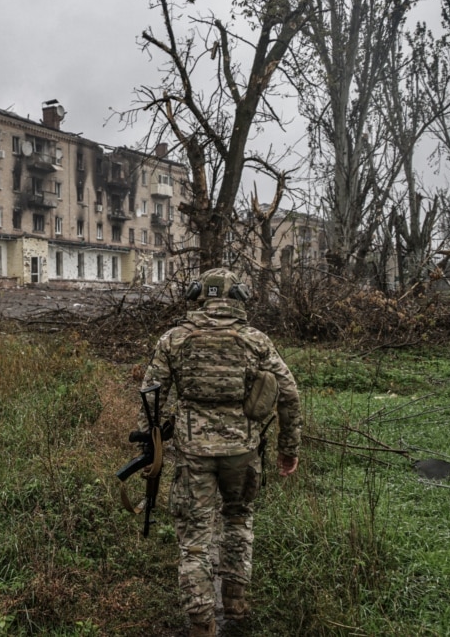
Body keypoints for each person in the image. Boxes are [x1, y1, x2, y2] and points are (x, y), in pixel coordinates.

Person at [139, 268, 301, 636]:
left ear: (200, 297)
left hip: (193, 453)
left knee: (195, 541)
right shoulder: (256, 341)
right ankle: (237, 610)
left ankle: (201, 625)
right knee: (238, 523)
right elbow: (289, 394)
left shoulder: (175, 339)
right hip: (243, 453)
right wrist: (287, 449)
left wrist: (152, 447)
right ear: (239, 298)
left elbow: (151, 396)